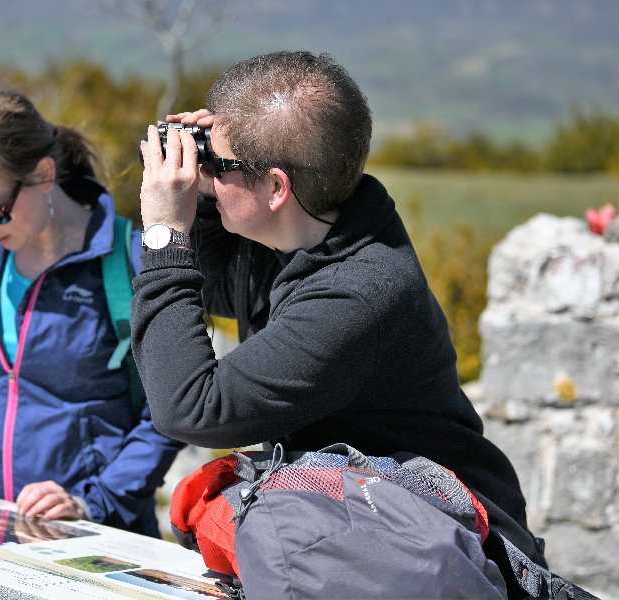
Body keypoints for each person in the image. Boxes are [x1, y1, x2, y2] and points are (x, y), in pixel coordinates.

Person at [132, 51, 547, 569]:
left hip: (444, 554)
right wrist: (209, 187)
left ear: (278, 187)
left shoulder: (356, 294)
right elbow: (209, 300)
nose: (206, 174)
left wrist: (165, 235)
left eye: (217, 165)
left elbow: (191, 407)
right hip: (373, 529)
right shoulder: (310, 231)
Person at [0, 91, 182, 538]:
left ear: (43, 174)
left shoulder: (128, 263)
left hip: (96, 534)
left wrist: (93, 500)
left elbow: (172, 411)